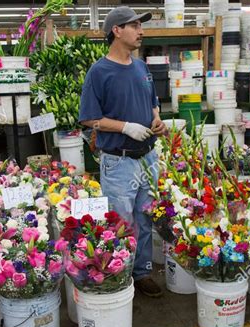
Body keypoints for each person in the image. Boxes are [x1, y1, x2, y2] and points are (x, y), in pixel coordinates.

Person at [79, 6, 166, 297]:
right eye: (135, 26)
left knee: (144, 218)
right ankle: (120, 276)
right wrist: (125, 126)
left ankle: (141, 273)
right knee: (121, 223)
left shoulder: (142, 67)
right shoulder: (99, 72)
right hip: (119, 162)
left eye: (141, 26)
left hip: (147, 158)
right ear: (117, 30)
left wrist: (156, 119)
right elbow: (89, 118)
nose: (141, 31)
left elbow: (153, 102)